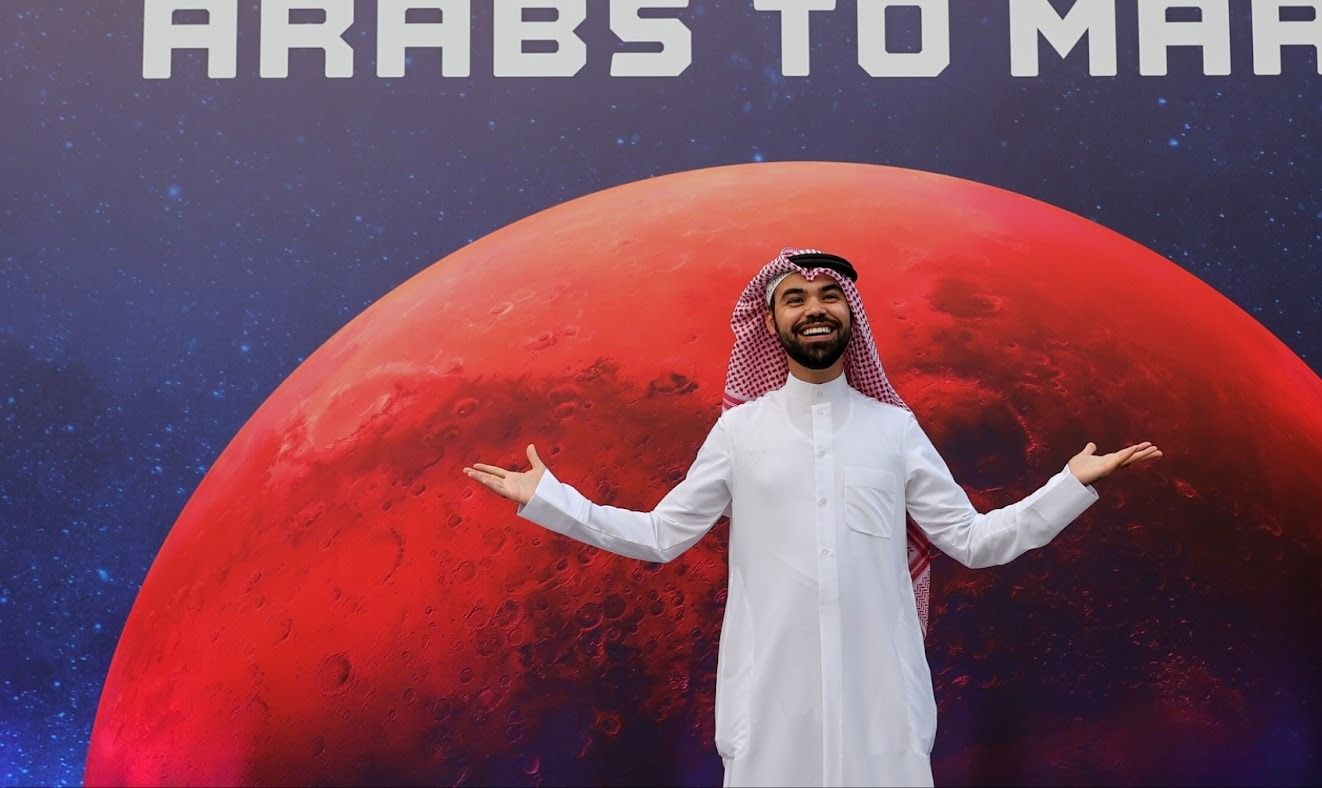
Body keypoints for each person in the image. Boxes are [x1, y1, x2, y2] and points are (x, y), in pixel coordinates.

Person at [465, 248, 1161, 787]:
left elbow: (976, 542)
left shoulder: (894, 430)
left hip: (881, 717)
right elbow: (660, 536)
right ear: (771, 324)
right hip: (770, 718)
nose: (814, 309)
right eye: (794, 299)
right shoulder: (740, 433)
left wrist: (1071, 484)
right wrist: (550, 500)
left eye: (830, 296)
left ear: (850, 314)